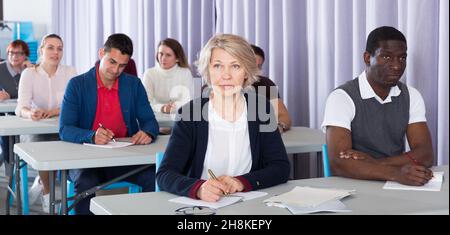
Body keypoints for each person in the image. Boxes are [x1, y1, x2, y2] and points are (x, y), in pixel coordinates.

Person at [156, 34, 290, 202]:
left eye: (235, 66)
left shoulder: (261, 109)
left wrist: (241, 182)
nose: (226, 75)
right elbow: (164, 175)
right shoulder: (190, 114)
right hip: (204, 207)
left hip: (250, 205)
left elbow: (280, 168)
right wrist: (198, 189)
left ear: (246, 72)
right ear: (208, 71)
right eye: (218, 66)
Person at [59, 33, 159, 214]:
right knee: (85, 184)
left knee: (156, 179)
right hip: (86, 160)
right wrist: (91, 136)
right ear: (101, 53)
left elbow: (150, 122)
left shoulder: (134, 84)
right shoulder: (77, 85)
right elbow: (65, 129)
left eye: (122, 65)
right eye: (112, 62)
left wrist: (148, 133)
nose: (115, 70)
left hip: (124, 158)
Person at [322, 26, 434, 186]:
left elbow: (426, 155)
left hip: (396, 184)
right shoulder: (341, 97)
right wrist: (396, 173)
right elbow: (338, 163)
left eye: (402, 58)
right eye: (387, 57)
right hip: (353, 184)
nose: (396, 66)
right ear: (367, 58)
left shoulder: (411, 95)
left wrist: (373, 163)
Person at [15, 34, 77, 213]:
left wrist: (55, 111)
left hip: (62, 126)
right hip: (37, 128)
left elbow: (74, 103)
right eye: (50, 47)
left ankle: (42, 182)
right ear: (41, 50)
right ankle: (47, 192)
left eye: (59, 48)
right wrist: (30, 113)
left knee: (66, 149)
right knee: (43, 148)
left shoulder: (69, 72)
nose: (55, 52)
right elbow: (21, 107)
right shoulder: (29, 73)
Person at [142, 38, 193, 134]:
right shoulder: (149, 73)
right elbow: (145, 102)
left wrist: (174, 107)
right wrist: (163, 108)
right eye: (160, 53)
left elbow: (188, 101)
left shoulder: (185, 73)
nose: (163, 58)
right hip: (154, 122)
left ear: (177, 58)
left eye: (168, 55)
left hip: (179, 122)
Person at [0, 40, 33, 167]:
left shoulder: (30, 69)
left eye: (19, 53)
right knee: (7, 140)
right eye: (11, 53)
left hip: (24, 114)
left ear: (26, 55)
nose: (14, 56)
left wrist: (31, 70)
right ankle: (10, 170)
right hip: (5, 115)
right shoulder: (1, 69)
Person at [251, 45, 292, 133]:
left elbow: (284, 116)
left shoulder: (266, 84)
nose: (255, 70)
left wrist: (279, 127)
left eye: (259, 66)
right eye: (252, 64)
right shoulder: (226, 84)